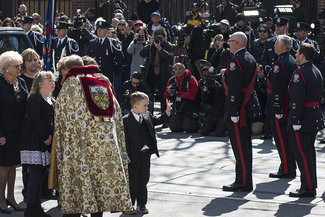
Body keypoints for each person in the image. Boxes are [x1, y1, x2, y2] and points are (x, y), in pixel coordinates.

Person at [51, 55, 133, 216]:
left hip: (78, 146)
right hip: (105, 147)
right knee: (100, 181)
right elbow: (117, 113)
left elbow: (60, 117)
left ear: (67, 70)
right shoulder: (103, 83)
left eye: (62, 73)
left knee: (78, 180)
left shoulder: (70, 86)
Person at [222, 32, 260, 192]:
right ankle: (243, 179)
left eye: (230, 41)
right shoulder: (249, 57)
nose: (228, 44)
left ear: (237, 43)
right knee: (244, 146)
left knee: (240, 146)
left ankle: (243, 182)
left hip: (240, 109)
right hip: (247, 105)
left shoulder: (235, 62)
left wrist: (233, 111)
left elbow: (235, 90)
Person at [123, 92, 171, 214]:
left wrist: (167, 112)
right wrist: (125, 153)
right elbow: (123, 139)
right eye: (145, 105)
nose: (147, 107)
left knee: (143, 180)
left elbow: (157, 120)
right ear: (135, 106)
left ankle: (142, 204)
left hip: (145, 154)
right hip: (133, 155)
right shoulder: (125, 121)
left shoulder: (147, 115)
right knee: (132, 181)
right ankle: (130, 205)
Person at [288, 43, 324, 197]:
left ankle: (307, 188)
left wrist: (295, 120)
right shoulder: (316, 70)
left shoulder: (300, 73)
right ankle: (310, 185)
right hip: (314, 117)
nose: (295, 54)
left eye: (297, 52)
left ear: (302, 55)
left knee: (302, 154)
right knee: (308, 153)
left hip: (303, 120)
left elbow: (297, 100)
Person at [20, 71, 55, 217]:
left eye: (53, 80)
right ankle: (30, 208)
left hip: (44, 138)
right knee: (35, 173)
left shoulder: (50, 99)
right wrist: (45, 136)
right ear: (40, 84)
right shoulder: (35, 97)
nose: (52, 82)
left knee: (40, 174)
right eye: (49, 80)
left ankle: (37, 206)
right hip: (34, 138)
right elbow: (36, 118)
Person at [0, 51, 28, 214]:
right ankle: (1, 200)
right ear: (5, 68)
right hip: (4, 133)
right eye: (16, 66)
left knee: (13, 167)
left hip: (19, 132)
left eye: (20, 65)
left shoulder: (21, 82)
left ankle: (11, 197)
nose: (19, 68)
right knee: (3, 166)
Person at [267, 35, 298, 179]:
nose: (273, 46)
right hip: (289, 103)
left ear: (281, 47)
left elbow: (278, 89)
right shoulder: (291, 59)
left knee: (281, 138)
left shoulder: (280, 64)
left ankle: (287, 169)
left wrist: (277, 108)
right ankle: (288, 166)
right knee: (286, 138)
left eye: (275, 44)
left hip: (282, 105)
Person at [140, 28, 173, 123]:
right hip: (151, 74)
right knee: (149, 96)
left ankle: (165, 119)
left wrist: (160, 48)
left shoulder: (168, 45)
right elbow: (142, 54)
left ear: (165, 38)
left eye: (161, 39)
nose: (159, 40)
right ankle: (148, 117)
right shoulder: (151, 45)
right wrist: (150, 45)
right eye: (157, 38)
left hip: (162, 74)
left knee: (163, 97)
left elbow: (169, 57)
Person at [86, 20, 124, 95]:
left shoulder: (111, 42)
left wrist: (113, 64)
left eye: (101, 29)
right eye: (98, 29)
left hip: (107, 73)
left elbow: (120, 56)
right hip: (94, 73)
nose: (99, 31)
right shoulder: (92, 42)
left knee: (107, 93)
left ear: (106, 31)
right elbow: (87, 57)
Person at [164, 63, 199, 133]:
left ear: (184, 69)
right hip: (177, 108)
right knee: (174, 128)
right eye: (176, 69)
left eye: (180, 69)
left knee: (189, 129)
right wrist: (168, 92)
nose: (178, 71)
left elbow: (192, 96)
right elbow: (166, 97)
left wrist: (178, 93)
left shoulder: (191, 79)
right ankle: (181, 122)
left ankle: (198, 123)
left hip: (189, 108)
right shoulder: (171, 80)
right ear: (174, 71)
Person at [199, 67, 227, 137]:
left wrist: (220, 87)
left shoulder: (232, 86)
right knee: (203, 132)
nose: (222, 78)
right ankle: (215, 126)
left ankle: (224, 127)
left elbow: (226, 96)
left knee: (219, 134)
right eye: (221, 76)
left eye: (225, 76)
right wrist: (205, 90)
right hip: (213, 113)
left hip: (224, 114)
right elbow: (205, 101)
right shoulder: (214, 86)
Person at [189, 12, 210, 80]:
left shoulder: (211, 29)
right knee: (196, 73)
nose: (204, 20)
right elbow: (192, 42)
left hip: (207, 54)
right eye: (203, 18)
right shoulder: (196, 29)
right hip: (196, 54)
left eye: (206, 18)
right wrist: (190, 53)